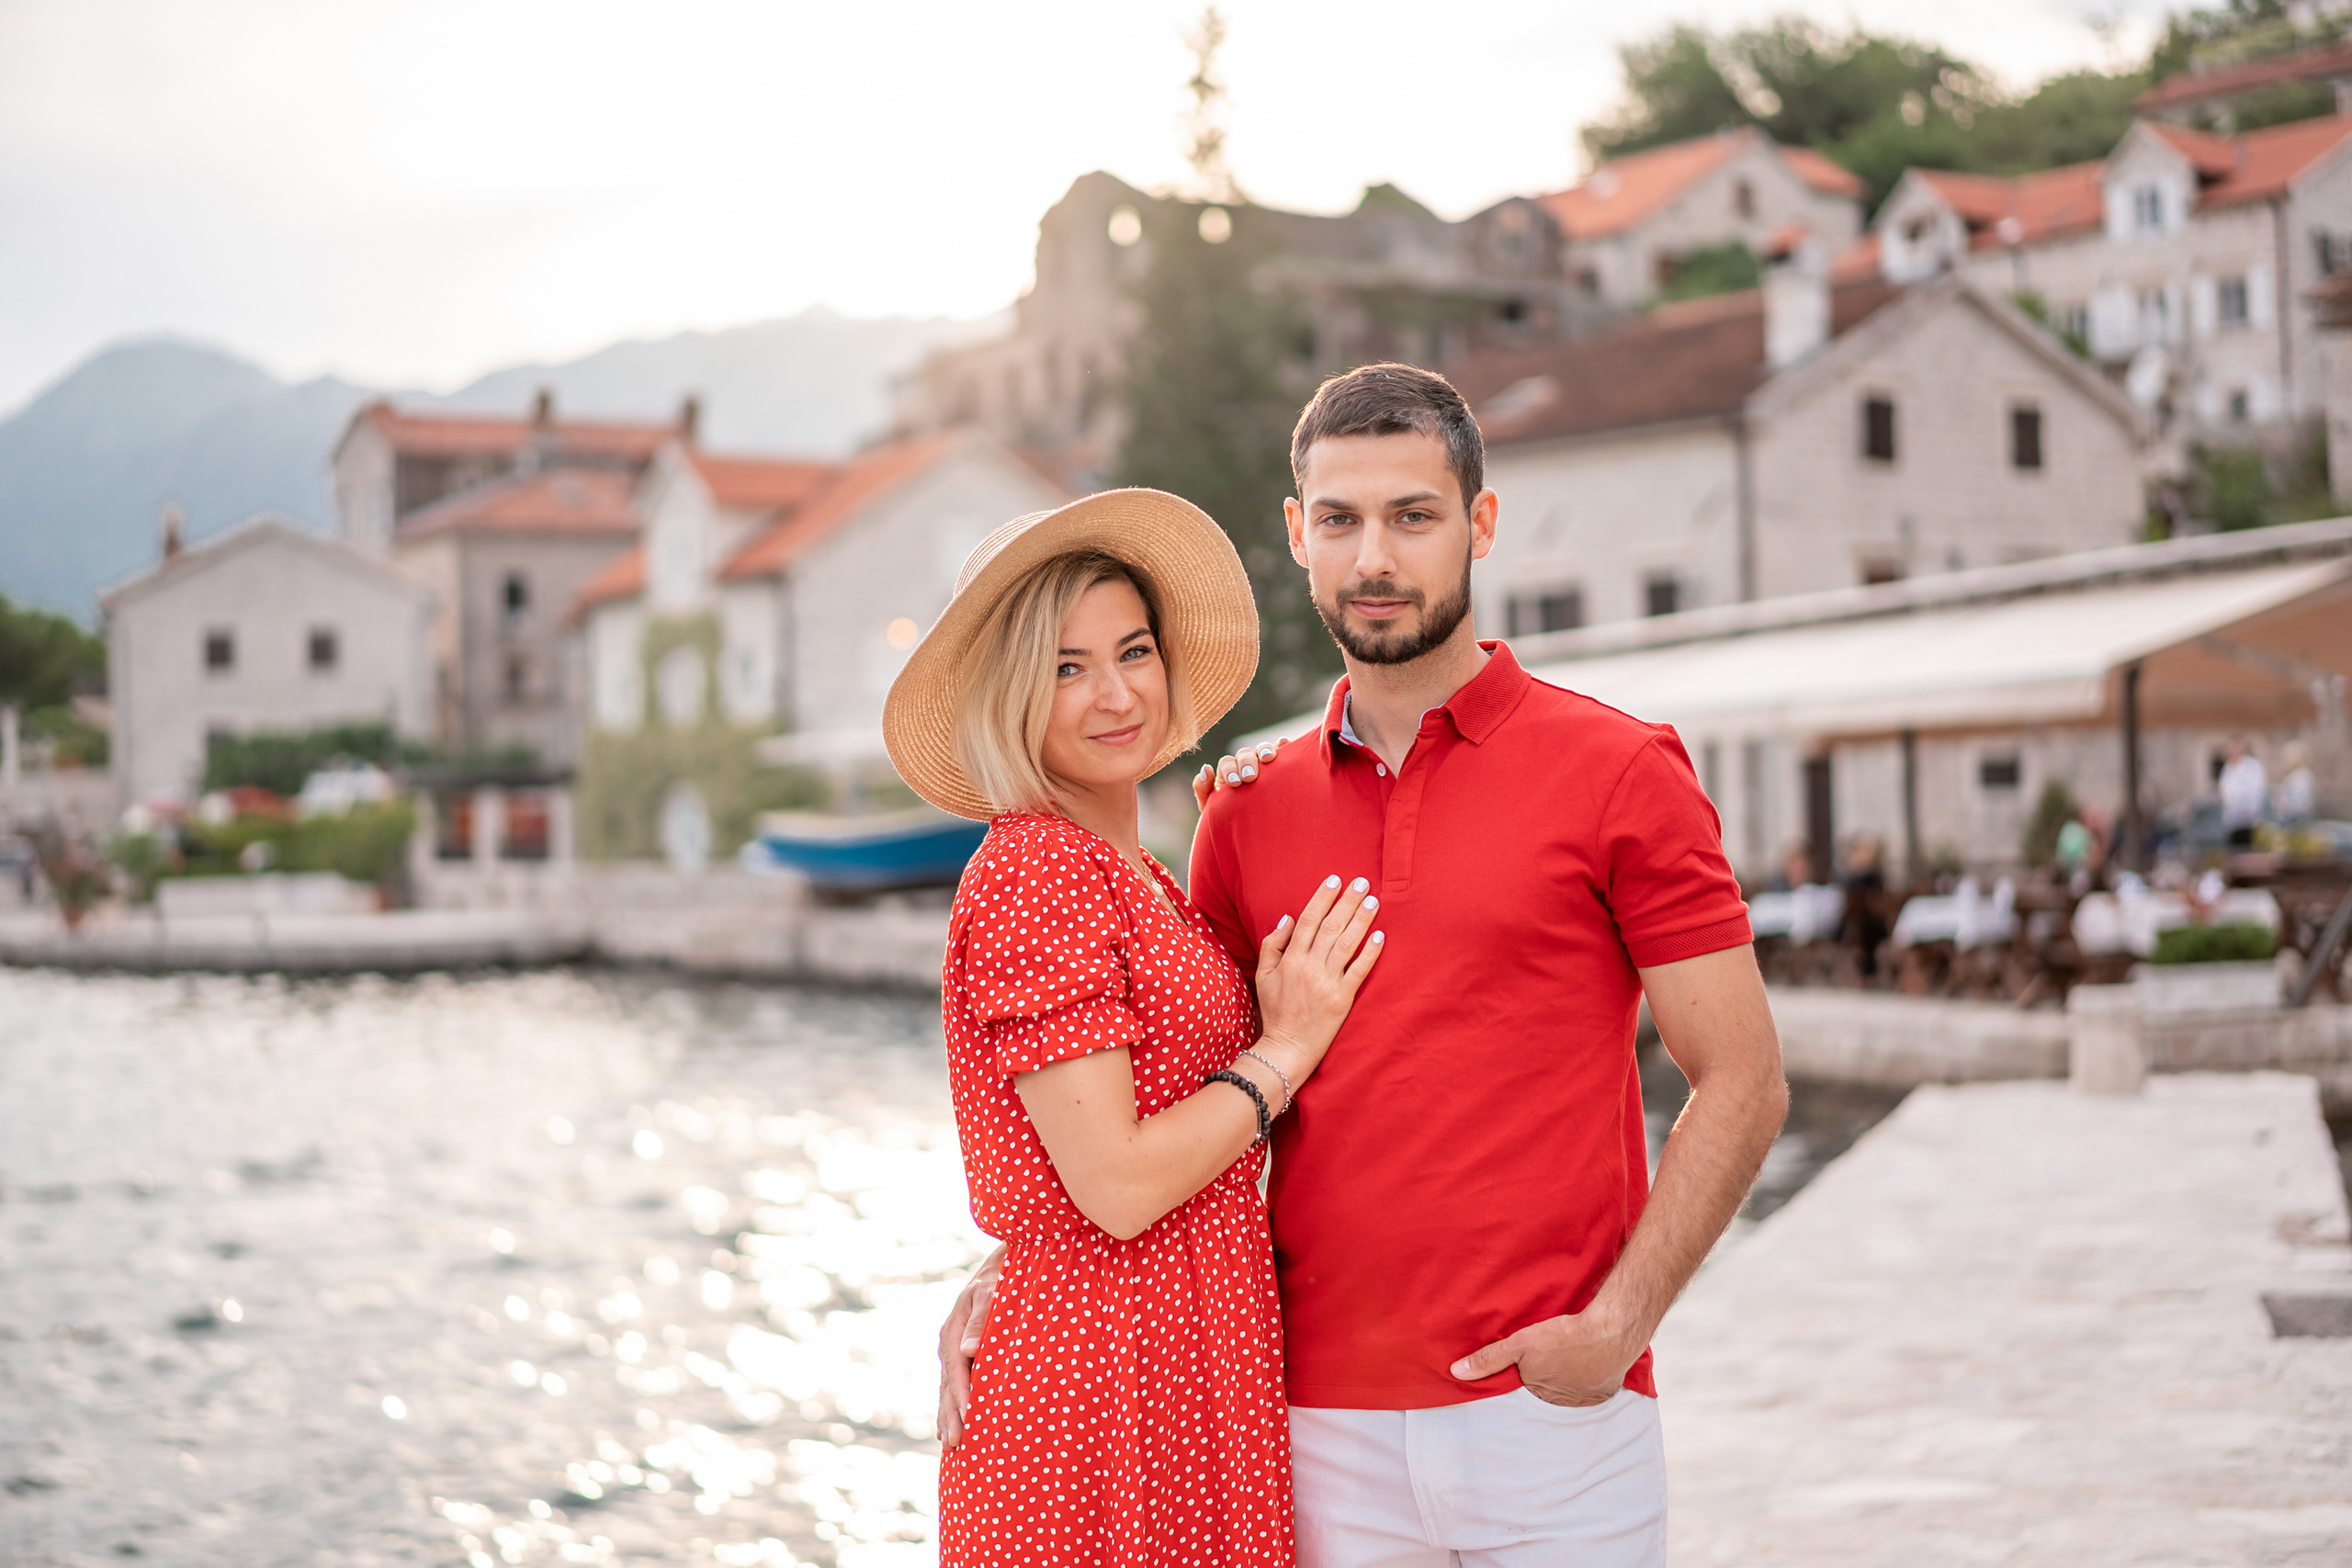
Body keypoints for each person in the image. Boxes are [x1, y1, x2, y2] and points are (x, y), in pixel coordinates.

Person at [941, 366, 1788, 1567]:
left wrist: (1620, 1323)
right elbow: (1146, 1103)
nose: (1373, 556)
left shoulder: (1621, 768)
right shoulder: (1240, 812)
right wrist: (1013, 1274)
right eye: (1339, 519)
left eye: (1414, 515)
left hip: (1550, 1414)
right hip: (1305, 1421)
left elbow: (1744, 1075)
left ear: (1480, 524)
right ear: (1297, 535)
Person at [883, 491, 1387, 1567]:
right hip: (1101, 1387)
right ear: (1013, 694)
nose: (1114, 694)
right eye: (1066, 668)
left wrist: (1268, 800)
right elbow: (1110, 1187)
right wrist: (1283, 1052)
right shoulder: (1039, 868)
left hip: (1179, 1352)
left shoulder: (1137, 870)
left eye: (1134, 651)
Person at [2218, 738, 2267, 848]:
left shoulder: (2252, 767)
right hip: (2231, 821)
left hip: (2248, 820)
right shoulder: (2227, 768)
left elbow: (2256, 791)